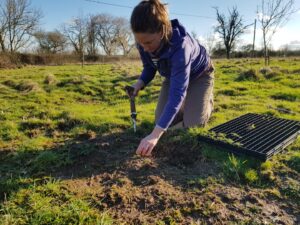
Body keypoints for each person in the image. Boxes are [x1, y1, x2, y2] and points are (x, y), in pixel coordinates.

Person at [130, 0, 214, 157]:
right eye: (140, 43)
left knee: (193, 125)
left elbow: (176, 95)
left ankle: (205, 103)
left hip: (200, 75)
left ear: (162, 31)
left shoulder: (181, 47)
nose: (145, 48)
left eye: (148, 42)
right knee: (160, 120)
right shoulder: (143, 44)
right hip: (173, 76)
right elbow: (150, 66)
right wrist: (139, 83)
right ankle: (189, 106)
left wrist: (155, 136)